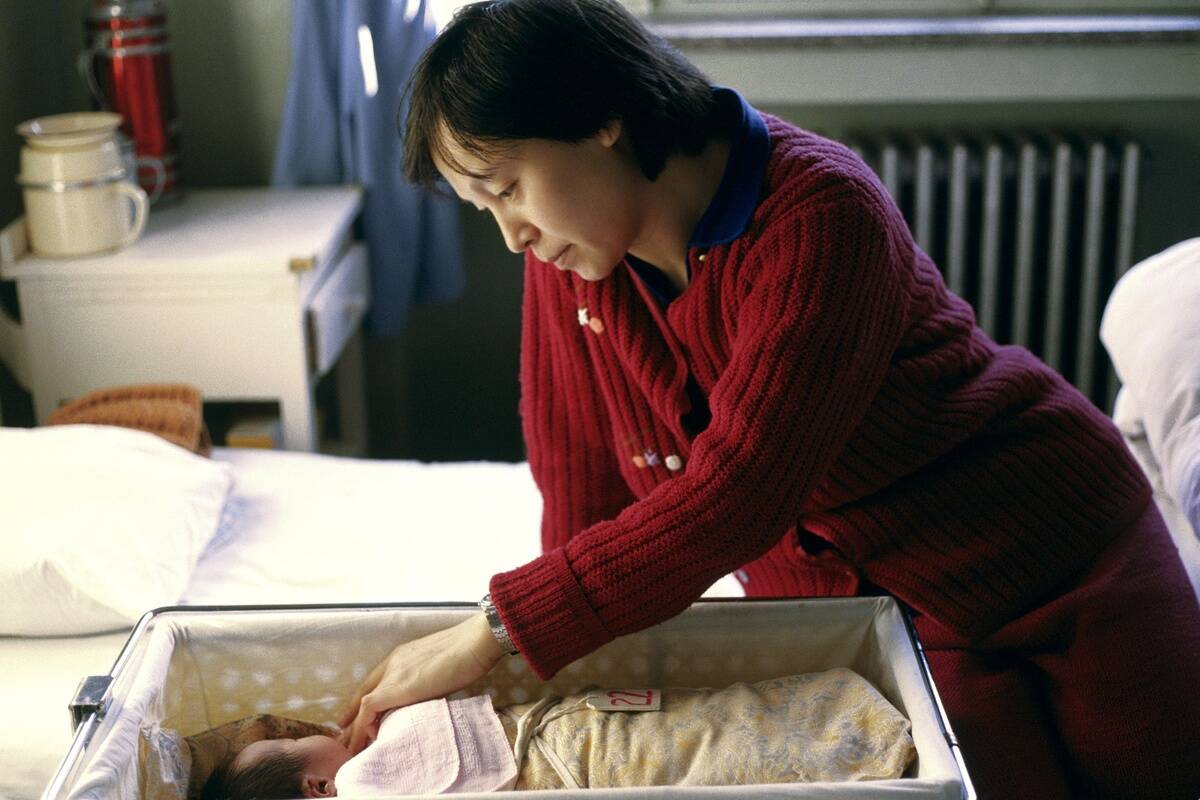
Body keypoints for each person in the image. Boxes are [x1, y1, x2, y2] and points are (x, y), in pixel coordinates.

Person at [339, 2, 1200, 798]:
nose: (511, 234)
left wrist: (492, 630)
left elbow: (738, 492)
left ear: (599, 119)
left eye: (508, 189)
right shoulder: (573, 262)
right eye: (482, 207)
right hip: (877, 610)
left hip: (1049, 547)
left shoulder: (821, 213)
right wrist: (567, 669)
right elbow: (582, 488)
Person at [203, 670, 915, 798]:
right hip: (572, 736)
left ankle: (852, 733)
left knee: (712, 741)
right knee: (716, 727)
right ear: (316, 784)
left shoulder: (368, 772)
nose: (324, 733)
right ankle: (846, 719)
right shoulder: (358, 784)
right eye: (302, 742)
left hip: (568, 750)